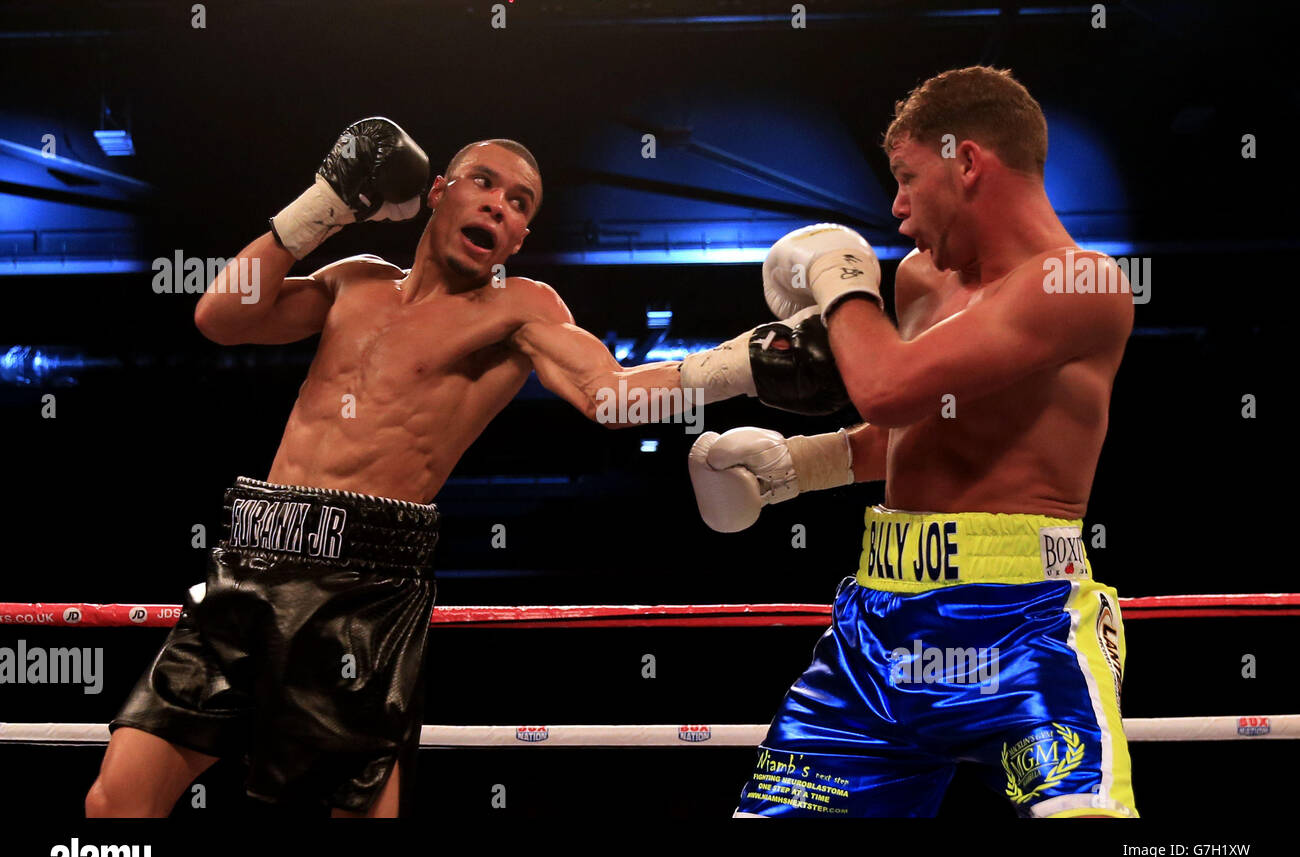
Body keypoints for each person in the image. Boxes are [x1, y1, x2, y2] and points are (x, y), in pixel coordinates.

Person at [85, 117, 849, 817]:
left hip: (363, 585)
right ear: (438, 192)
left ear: (519, 238)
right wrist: (326, 200)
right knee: (115, 804)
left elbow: (607, 395)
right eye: (484, 184)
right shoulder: (354, 280)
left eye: (520, 204)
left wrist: (742, 368)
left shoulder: (518, 308)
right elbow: (223, 314)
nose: (499, 207)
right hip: (250, 557)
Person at [690, 66, 1138, 817]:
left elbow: (887, 385)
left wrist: (838, 277)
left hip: (1024, 623)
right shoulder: (923, 283)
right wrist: (788, 469)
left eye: (905, 178)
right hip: (878, 626)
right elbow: (906, 426)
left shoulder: (1080, 282)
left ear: (967, 162)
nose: (895, 211)